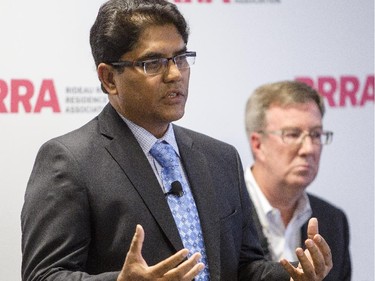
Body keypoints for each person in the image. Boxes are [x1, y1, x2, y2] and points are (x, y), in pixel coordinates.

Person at [21, 1, 332, 280]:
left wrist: (292, 275)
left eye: (181, 57)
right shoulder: (69, 161)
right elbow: (44, 275)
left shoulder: (221, 158)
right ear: (108, 78)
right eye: (152, 63)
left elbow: (245, 267)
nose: (175, 74)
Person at [244, 80, 351, 280]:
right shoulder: (223, 214)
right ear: (258, 145)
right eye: (293, 134)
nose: (309, 149)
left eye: (316, 134)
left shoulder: (333, 221)